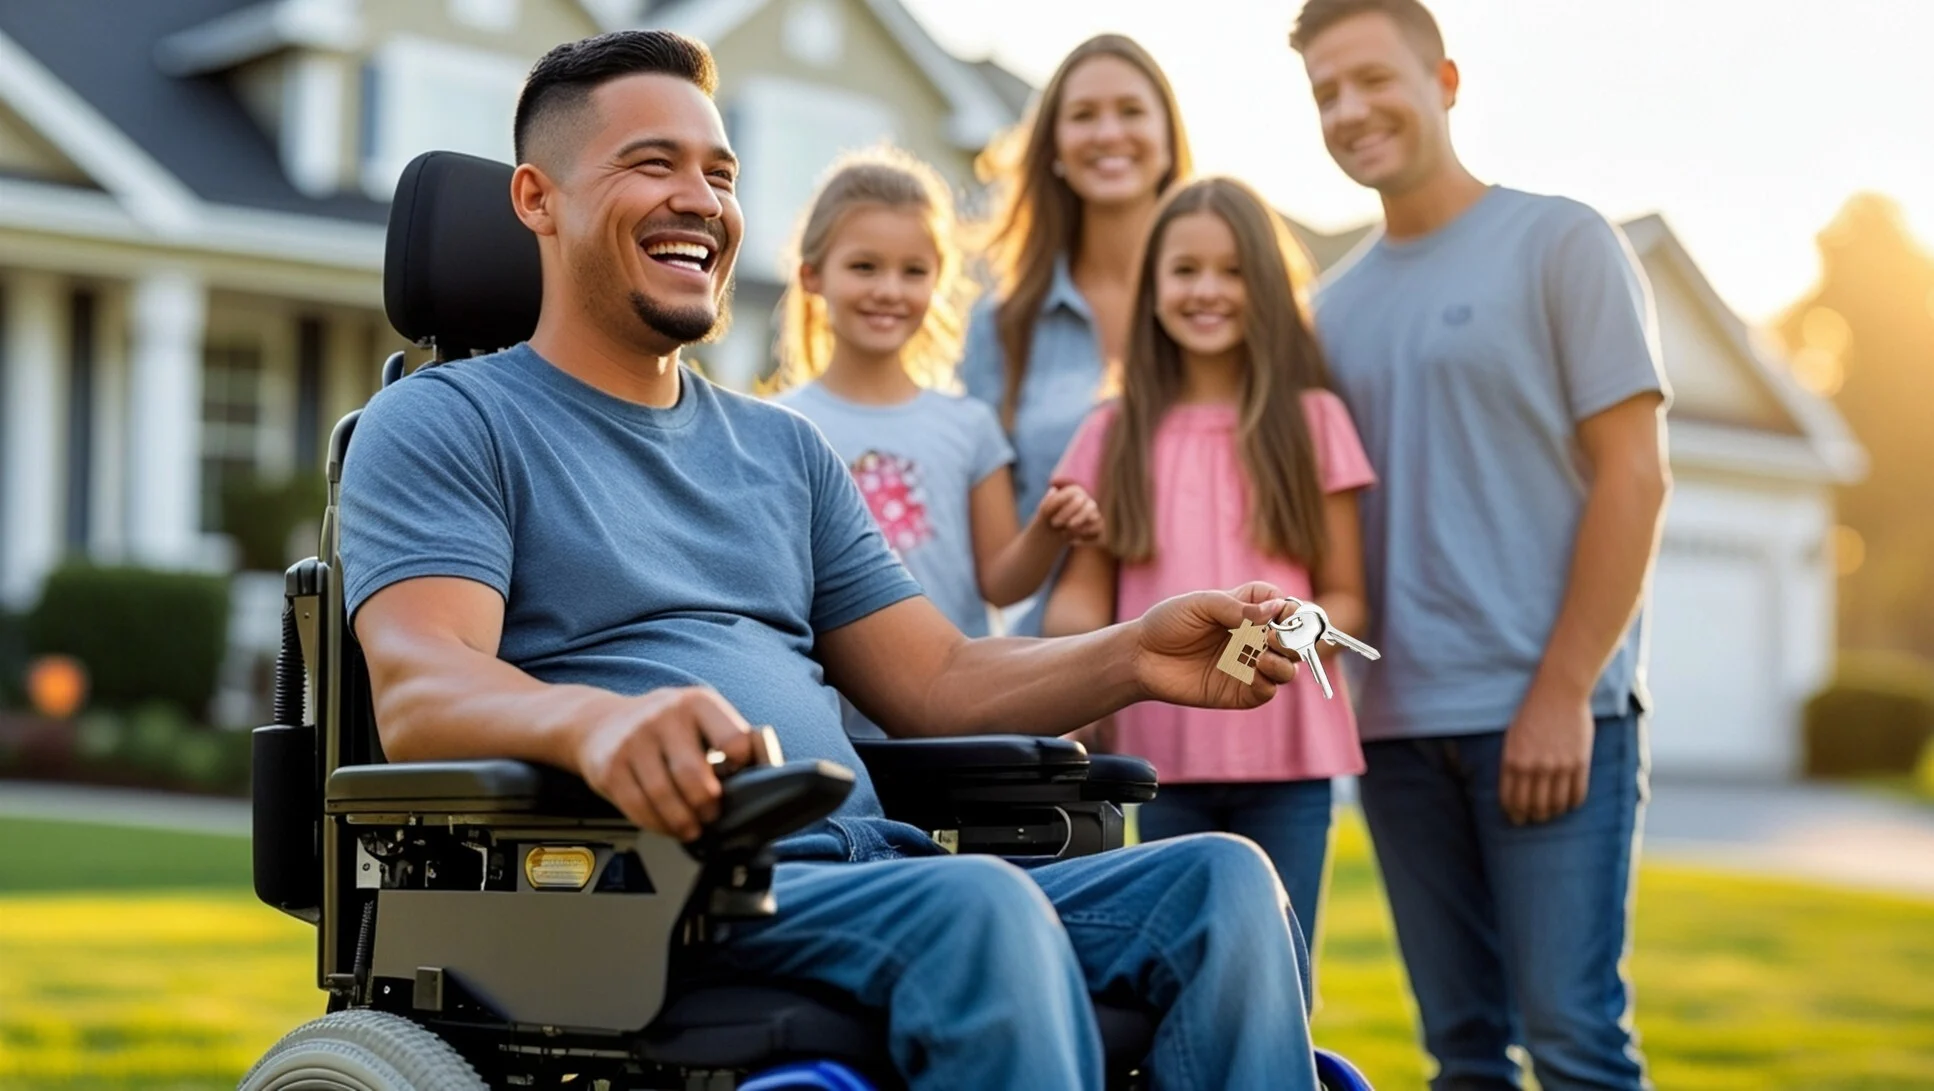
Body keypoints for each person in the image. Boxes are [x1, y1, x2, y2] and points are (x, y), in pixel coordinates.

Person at [340, 29, 1324, 1091]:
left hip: (867, 868)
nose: (699, 199)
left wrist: (1135, 651)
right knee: (979, 903)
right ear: (536, 199)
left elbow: (936, 678)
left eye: (719, 173)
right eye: (650, 163)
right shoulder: (444, 423)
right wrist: (595, 719)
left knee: (1221, 883)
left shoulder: (780, 449)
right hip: (644, 891)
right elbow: (422, 683)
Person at [1289, 1, 1672, 1088]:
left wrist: (1560, 688)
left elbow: (1633, 476)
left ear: (1444, 79)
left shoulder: (1559, 240)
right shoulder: (1327, 311)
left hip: (1550, 716)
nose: (1349, 110)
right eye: (1325, 93)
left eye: (1371, 79)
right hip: (1400, 733)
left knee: (1576, 1045)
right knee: (1461, 1054)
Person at [1042, 176, 1375, 956]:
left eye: (1231, 271)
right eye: (1185, 270)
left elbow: (1348, 598)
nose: (1207, 290)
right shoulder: (1111, 432)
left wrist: (1279, 640)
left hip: (1289, 759)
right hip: (1157, 761)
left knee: (1280, 977)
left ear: (1266, 287)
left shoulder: (1314, 421)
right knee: (1171, 973)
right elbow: (1080, 599)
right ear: (1152, 286)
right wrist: (1067, 687)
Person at [767, 147, 1103, 735]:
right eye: (865, 267)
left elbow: (1000, 581)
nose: (889, 290)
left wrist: (1048, 534)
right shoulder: (775, 428)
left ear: (939, 282)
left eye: (913, 271)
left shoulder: (968, 426)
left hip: (960, 725)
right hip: (833, 730)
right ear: (812, 275)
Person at [958, 33, 1194, 635]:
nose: (1109, 133)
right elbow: (998, 558)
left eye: (1132, 111)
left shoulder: (1223, 308)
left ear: (1169, 140)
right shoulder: (1001, 328)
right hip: (1059, 660)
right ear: (1055, 148)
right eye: (1084, 116)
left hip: (1217, 655)